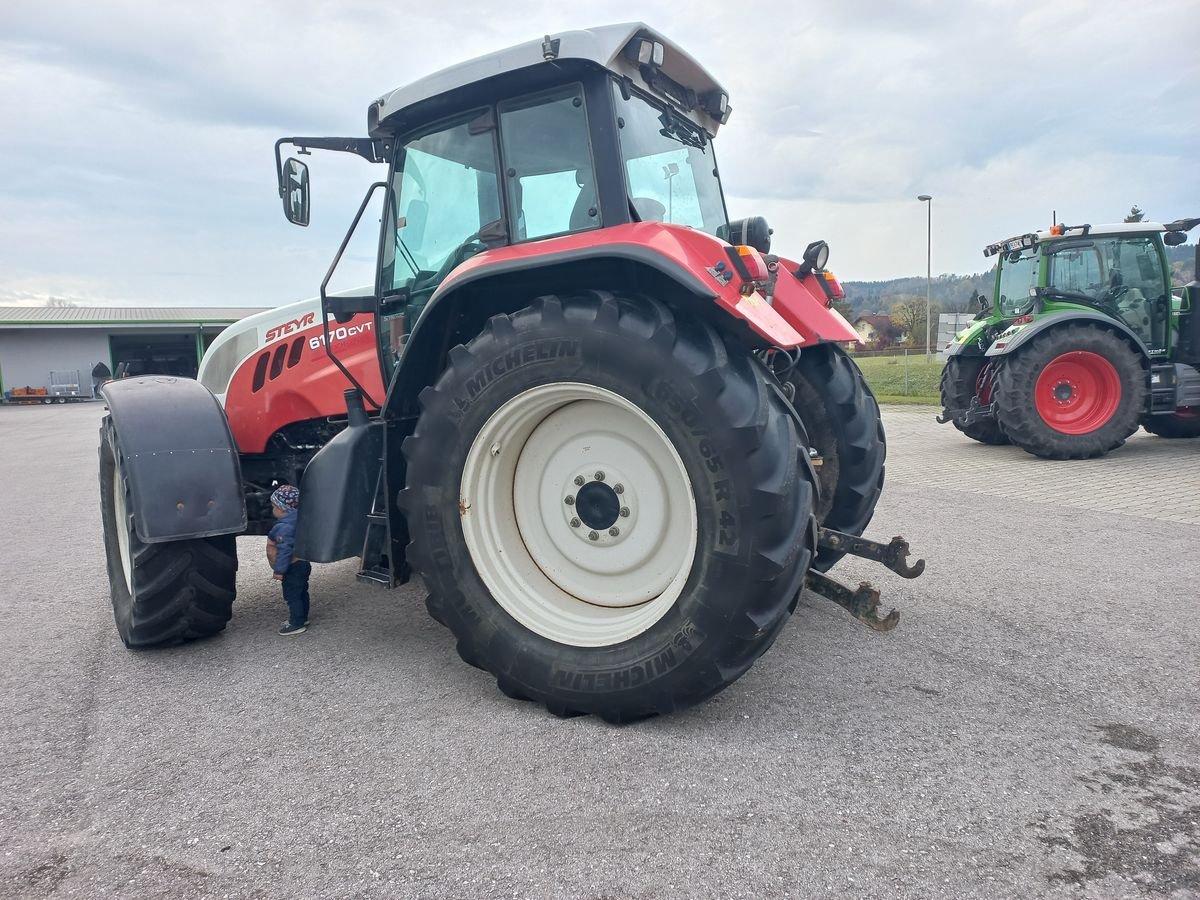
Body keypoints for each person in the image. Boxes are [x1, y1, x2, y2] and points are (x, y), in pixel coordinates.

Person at [266, 485, 310, 636]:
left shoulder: (284, 527)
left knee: (292, 596)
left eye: (273, 506)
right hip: (304, 563)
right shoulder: (300, 521)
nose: (272, 509)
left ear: (280, 508)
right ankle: (302, 618)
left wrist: (279, 571)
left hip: (292, 567)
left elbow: (285, 551)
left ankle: (296, 623)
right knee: (302, 592)